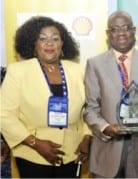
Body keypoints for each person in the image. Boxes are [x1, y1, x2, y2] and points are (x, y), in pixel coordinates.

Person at [0, 16, 91, 178]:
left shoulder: (78, 71)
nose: (49, 43)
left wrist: (87, 137)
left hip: (71, 152)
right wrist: (35, 143)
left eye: (55, 39)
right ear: (34, 44)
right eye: (43, 38)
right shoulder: (17, 71)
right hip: (31, 153)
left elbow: (89, 108)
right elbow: (4, 114)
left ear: (62, 44)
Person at [83, 11, 138, 178]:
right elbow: (90, 109)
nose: (121, 33)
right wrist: (106, 128)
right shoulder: (95, 64)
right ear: (108, 34)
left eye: (126, 27)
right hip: (107, 149)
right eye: (114, 29)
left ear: (134, 31)